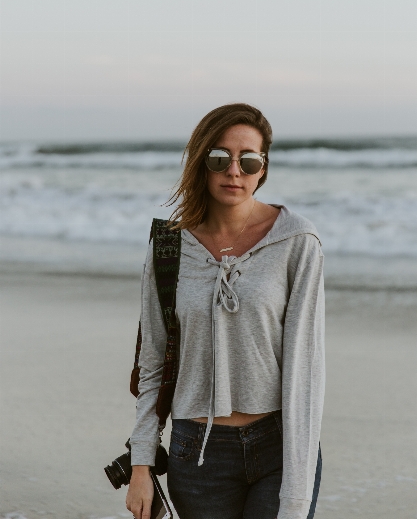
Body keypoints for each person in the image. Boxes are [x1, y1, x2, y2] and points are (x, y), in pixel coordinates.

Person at [126, 103, 325, 519]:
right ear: (202, 163)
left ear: (263, 168)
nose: (235, 171)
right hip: (196, 457)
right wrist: (141, 464)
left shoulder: (298, 242)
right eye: (220, 158)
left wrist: (296, 493)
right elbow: (151, 364)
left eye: (248, 160)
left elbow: (306, 371)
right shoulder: (168, 247)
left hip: (279, 448)